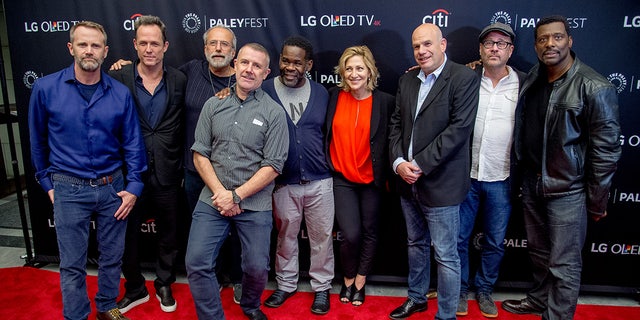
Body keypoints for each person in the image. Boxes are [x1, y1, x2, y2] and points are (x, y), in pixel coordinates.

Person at [502, 15, 621, 320]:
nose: (549, 44)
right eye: (543, 39)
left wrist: (596, 200)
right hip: (532, 182)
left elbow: (606, 152)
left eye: (556, 37)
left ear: (570, 41)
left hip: (568, 189)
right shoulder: (534, 77)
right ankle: (541, 300)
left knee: (564, 264)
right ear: (536, 45)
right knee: (540, 254)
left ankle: (556, 316)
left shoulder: (594, 86)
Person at [28, 21, 147, 320]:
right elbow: (37, 141)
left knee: (112, 258)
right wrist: (47, 183)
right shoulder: (45, 89)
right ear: (71, 48)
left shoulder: (120, 94)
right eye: (83, 44)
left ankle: (107, 306)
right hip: (67, 186)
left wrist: (133, 188)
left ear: (105, 51)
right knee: (71, 263)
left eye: (95, 45)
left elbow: (133, 144)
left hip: (113, 188)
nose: (89, 50)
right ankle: (77, 316)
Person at [185, 43, 289, 320]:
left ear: (266, 73)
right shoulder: (213, 104)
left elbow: (274, 165)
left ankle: (251, 306)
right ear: (235, 65)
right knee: (196, 262)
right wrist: (222, 193)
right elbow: (200, 154)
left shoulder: (275, 114)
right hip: (213, 199)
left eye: (257, 66)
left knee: (256, 267)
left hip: (254, 202)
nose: (249, 70)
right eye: (244, 63)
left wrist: (237, 196)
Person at [388, 23, 479, 320]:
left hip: (442, 184)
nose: (421, 51)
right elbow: (396, 126)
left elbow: (459, 129)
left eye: (427, 44)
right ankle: (416, 298)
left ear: (443, 45)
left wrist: (420, 164)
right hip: (407, 181)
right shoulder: (408, 81)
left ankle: (446, 315)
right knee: (415, 245)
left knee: (447, 256)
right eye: (416, 46)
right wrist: (399, 162)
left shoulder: (464, 78)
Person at [108, 15, 186, 314]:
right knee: (125, 235)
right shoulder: (117, 78)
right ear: (135, 45)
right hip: (129, 175)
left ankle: (164, 281)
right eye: (143, 43)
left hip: (168, 171)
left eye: (155, 43)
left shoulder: (178, 79)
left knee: (169, 232)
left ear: (165, 46)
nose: (149, 49)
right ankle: (135, 287)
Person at [260, 36, 335, 315]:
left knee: (322, 238)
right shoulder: (264, 90)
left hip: (320, 180)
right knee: (285, 237)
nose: (290, 67)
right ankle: (286, 284)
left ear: (309, 64)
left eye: (297, 62)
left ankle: (322, 287)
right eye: (285, 60)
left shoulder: (322, 93)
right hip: (282, 182)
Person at [455, 22, 525, 319]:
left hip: (503, 177)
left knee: (496, 241)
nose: (494, 48)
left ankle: (484, 290)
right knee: (458, 239)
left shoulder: (526, 82)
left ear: (510, 50)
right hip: (465, 175)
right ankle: (458, 289)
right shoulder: (466, 78)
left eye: (501, 43)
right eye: (488, 43)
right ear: (480, 50)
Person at [325, 45, 395, 307]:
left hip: (372, 181)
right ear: (343, 72)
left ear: (370, 72)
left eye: (359, 68)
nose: (354, 74)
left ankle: (360, 282)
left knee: (370, 232)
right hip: (342, 179)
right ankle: (347, 278)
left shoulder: (385, 101)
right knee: (350, 234)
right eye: (349, 68)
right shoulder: (332, 96)